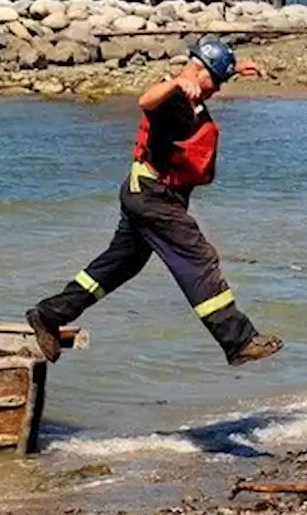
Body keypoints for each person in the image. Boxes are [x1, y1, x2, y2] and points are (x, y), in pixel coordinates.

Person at [26, 36, 284, 367]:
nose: (217, 89)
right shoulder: (175, 96)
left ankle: (48, 315)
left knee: (118, 266)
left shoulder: (192, 91)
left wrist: (232, 70)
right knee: (199, 258)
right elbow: (146, 100)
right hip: (154, 197)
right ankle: (238, 340)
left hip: (145, 194)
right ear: (197, 70)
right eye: (215, 81)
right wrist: (179, 81)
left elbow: (199, 79)